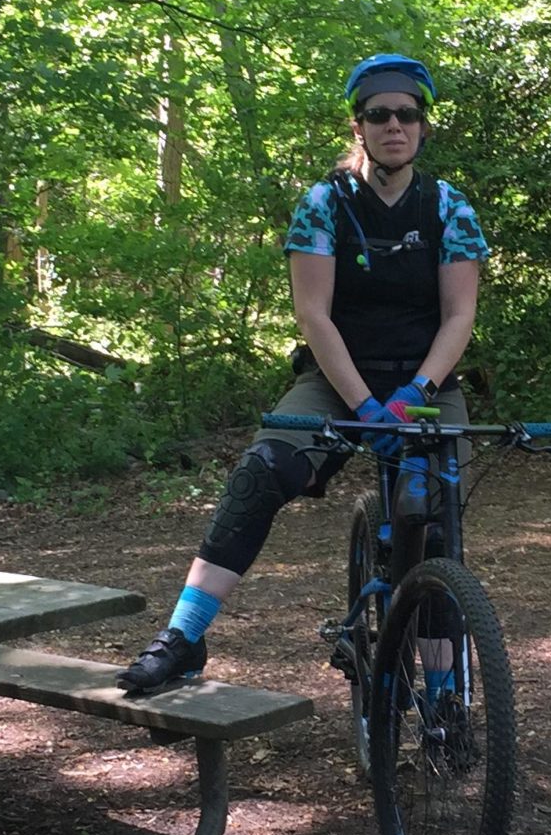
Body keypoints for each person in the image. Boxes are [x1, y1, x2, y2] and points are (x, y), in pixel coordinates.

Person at [115, 53, 491, 695]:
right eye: (379, 115)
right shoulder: (324, 204)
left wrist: (412, 396)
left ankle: (442, 692)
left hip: (424, 387)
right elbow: (313, 314)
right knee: (260, 476)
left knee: (434, 526)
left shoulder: (449, 209)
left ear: (423, 127)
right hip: (337, 378)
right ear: (359, 127)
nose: (393, 125)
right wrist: (364, 405)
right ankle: (183, 637)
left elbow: (459, 316)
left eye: (406, 114)